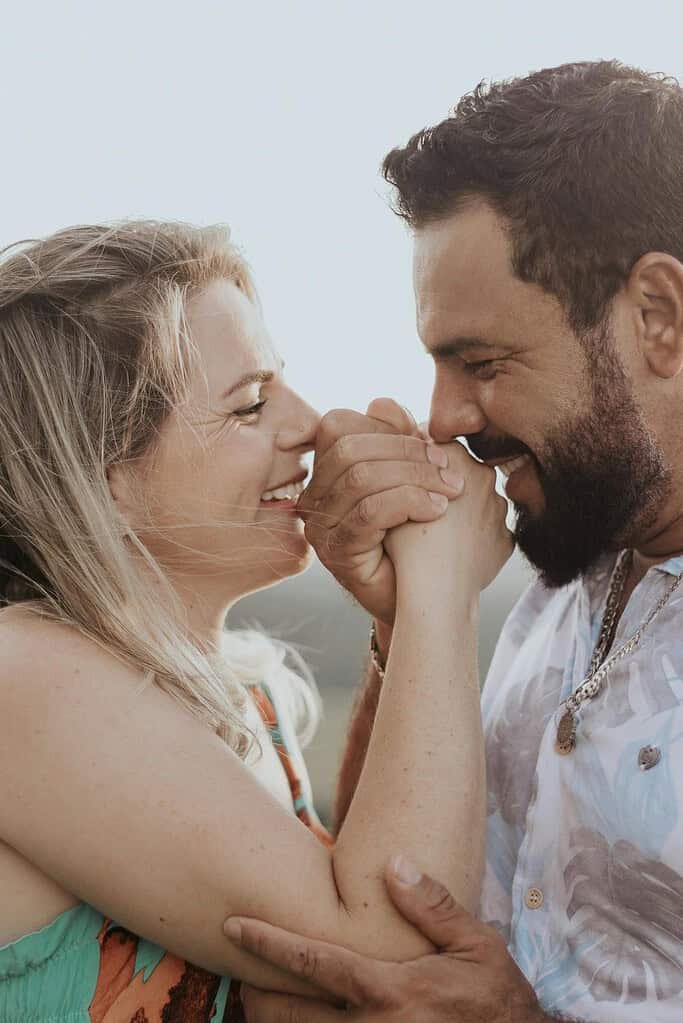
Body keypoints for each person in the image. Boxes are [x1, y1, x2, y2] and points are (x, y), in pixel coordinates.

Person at [221, 60, 683, 1022]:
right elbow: (390, 905)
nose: (441, 419)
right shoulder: (568, 568)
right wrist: (404, 631)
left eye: (480, 362)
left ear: (658, 318)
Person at [0, 219, 511, 1020]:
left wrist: (396, 626)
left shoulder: (240, 691)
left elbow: (354, 898)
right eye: (249, 405)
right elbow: (389, 949)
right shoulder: (20, 674)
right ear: (100, 477)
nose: (309, 422)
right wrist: (441, 589)